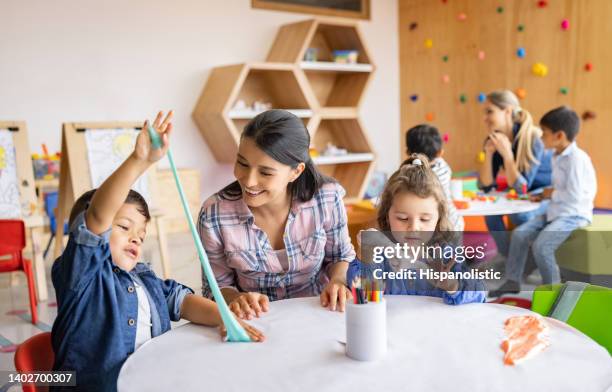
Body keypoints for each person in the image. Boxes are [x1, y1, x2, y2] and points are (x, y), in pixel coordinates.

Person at [51, 111, 264, 391]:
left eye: (141, 234)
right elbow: (98, 218)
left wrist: (225, 318)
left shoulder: (144, 279)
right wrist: (140, 161)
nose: (136, 239)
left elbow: (182, 301)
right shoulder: (83, 275)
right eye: (124, 227)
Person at [198, 109, 356, 319]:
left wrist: (337, 281)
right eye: (242, 164)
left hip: (319, 313)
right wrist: (235, 299)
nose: (249, 180)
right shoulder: (213, 214)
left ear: (296, 171)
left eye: (265, 172)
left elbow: (340, 257)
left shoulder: (327, 197)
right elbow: (216, 287)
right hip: (256, 321)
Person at [347, 154, 486, 305]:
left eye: (425, 219)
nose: (414, 228)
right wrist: (367, 254)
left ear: (438, 218)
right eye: (403, 218)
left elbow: (480, 294)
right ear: (387, 216)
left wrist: (451, 284)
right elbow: (366, 297)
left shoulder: (446, 254)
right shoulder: (381, 254)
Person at [489, 106, 597, 296]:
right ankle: (513, 281)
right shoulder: (557, 156)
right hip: (556, 211)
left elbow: (576, 195)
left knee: (542, 246)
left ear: (559, 136)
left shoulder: (576, 159)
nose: (541, 138)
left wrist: (550, 193)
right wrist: (546, 194)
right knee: (520, 235)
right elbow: (560, 189)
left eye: (544, 133)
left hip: (573, 214)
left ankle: (554, 292)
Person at [478, 90, 552, 261]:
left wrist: (508, 156)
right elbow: (485, 186)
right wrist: (489, 154)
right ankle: (509, 259)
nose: (485, 118)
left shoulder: (533, 138)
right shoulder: (495, 138)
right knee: (490, 213)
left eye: (490, 111)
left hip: (547, 193)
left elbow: (521, 188)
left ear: (508, 111)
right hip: (527, 194)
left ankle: (527, 261)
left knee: (519, 215)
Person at [405, 124, 464, 231]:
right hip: (455, 221)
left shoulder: (419, 175)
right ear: (440, 152)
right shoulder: (443, 165)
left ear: (408, 152)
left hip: (440, 226)